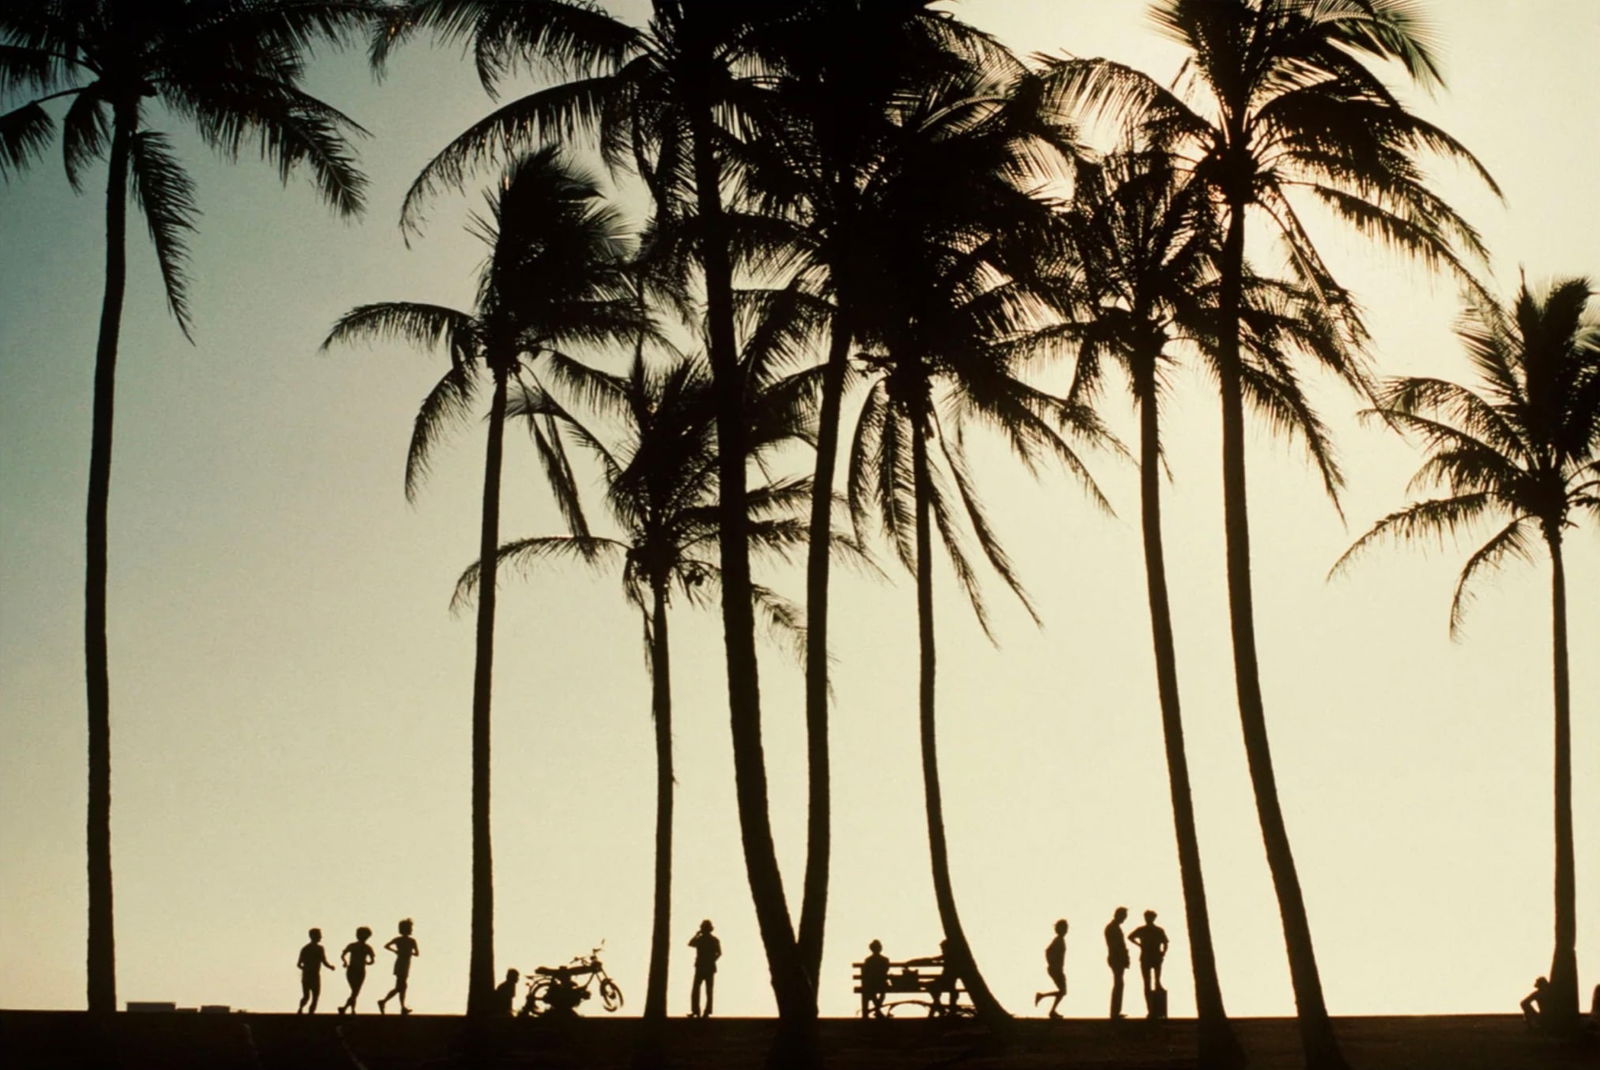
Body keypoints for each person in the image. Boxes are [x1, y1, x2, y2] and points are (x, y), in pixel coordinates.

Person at [1127, 910, 1168, 1018]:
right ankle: (1151, 1010)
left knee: (1156, 983)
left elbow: (1165, 942)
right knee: (1147, 984)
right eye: (1147, 917)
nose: (1148, 919)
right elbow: (1130, 937)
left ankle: (1156, 1010)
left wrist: (1163, 952)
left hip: (1154, 957)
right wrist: (1139, 945)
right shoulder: (1143, 930)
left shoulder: (1157, 930)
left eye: (1149, 917)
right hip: (1147, 957)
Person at [377, 918, 419, 1015]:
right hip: (402, 963)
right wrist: (398, 951)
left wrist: (399, 951)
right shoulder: (410, 941)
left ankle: (401, 1007)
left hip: (404, 963)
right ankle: (385, 1001)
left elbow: (387, 946)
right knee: (401, 986)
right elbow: (416, 953)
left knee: (402, 986)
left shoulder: (403, 940)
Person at [1034, 919, 1068, 1018]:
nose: (1066, 930)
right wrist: (1052, 963)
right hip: (1056, 969)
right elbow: (1048, 951)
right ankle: (1051, 1009)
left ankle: (1045, 1001)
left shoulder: (1060, 940)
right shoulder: (1058, 940)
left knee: (1063, 991)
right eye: (1064, 928)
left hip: (1057, 969)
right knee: (1063, 991)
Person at [337, 926, 376, 1015]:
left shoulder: (367, 947)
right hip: (352, 969)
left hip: (360, 970)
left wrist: (367, 962)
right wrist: (345, 962)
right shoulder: (353, 946)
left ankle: (348, 1009)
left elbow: (372, 960)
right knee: (355, 991)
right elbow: (343, 955)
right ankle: (346, 1008)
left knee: (355, 991)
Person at [296, 928, 334, 1014]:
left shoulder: (314, 948)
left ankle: (310, 1012)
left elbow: (323, 961)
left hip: (312, 975)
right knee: (308, 996)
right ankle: (302, 1009)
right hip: (310, 975)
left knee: (313, 996)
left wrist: (330, 967)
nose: (320, 937)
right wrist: (306, 969)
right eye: (318, 935)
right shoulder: (307, 948)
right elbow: (299, 964)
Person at [688, 919, 721, 1018]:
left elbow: (691, 943)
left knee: (698, 989)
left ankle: (697, 1011)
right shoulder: (713, 940)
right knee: (707, 990)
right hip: (707, 967)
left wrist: (697, 935)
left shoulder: (702, 939)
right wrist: (712, 960)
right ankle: (705, 1012)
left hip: (703, 966)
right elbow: (719, 953)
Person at [1104, 907, 1129, 1019]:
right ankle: (1115, 1012)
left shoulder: (1113, 927)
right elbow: (1117, 946)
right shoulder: (1113, 928)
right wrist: (1124, 957)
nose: (1124, 919)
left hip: (1115, 958)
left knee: (1119, 983)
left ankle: (1115, 1011)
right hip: (1116, 958)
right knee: (1119, 984)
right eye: (1124, 916)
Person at [861, 939, 890, 1018]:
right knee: (881, 994)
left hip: (871, 983)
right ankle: (878, 1011)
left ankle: (877, 1011)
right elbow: (886, 970)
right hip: (881, 983)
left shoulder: (868, 960)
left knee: (872, 993)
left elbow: (865, 972)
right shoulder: (885, 960)